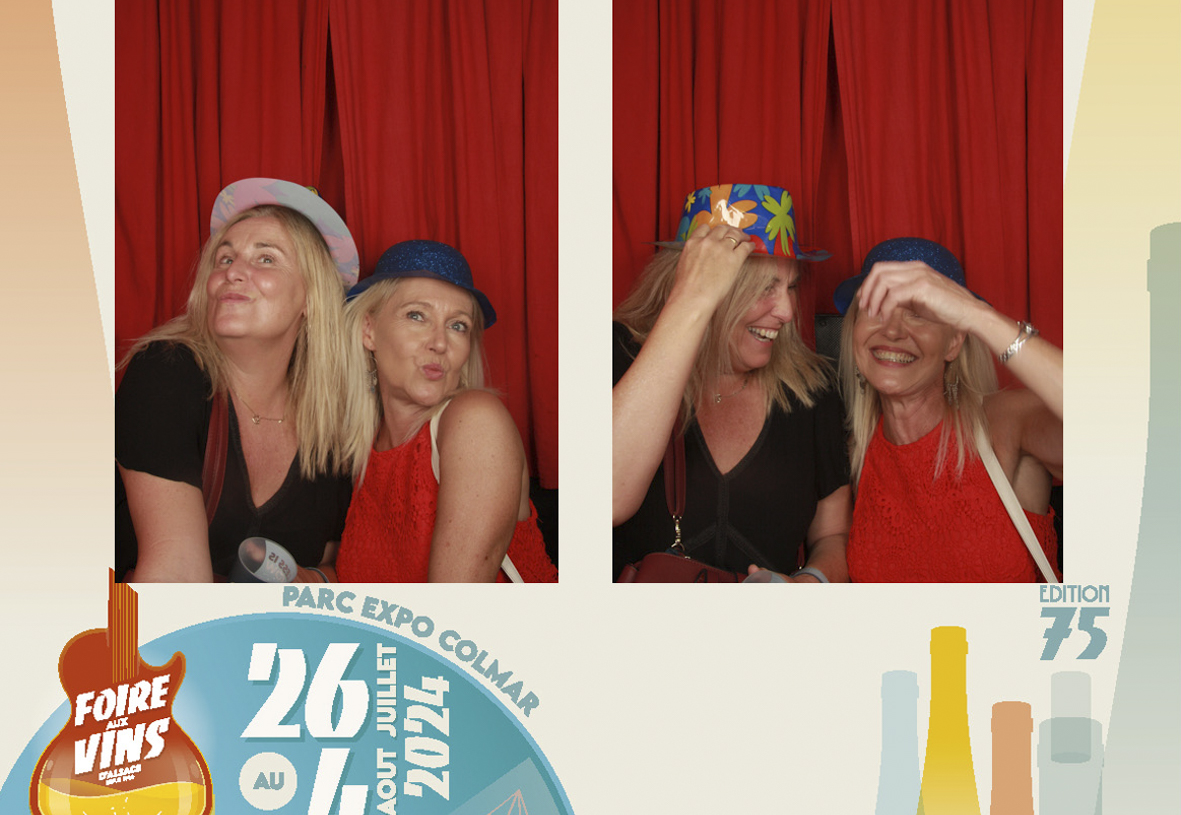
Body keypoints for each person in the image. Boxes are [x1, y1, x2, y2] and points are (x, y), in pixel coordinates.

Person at [116, 179, 361, 583]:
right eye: (225, 258)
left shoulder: (333, 424)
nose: (232, 272)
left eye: (266, 258)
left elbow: (338, 564)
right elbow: (175, 572)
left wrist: (310, 580)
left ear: (311, 298)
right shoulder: (167, 370)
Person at [613, 183, 850, 581]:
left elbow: (832, 534)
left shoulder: (814, 389)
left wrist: (810, 584)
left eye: (791, 286)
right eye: (764, 288)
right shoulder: (621, 354)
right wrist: (691, 300)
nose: (787, 311)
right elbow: (606, 499)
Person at [836, 238, 1063, 582]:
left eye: (919, 313)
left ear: (954, 342)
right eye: (876, 308)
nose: (892, 331)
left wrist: (977, 315)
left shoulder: (1006, 422)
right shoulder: (856, 453)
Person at [334, 240, 556, 582]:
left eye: (457, 325)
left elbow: (453, 610)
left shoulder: (475, 422)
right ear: (369, 330)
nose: (439, 342)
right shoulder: (363, 448)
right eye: (417, 316)